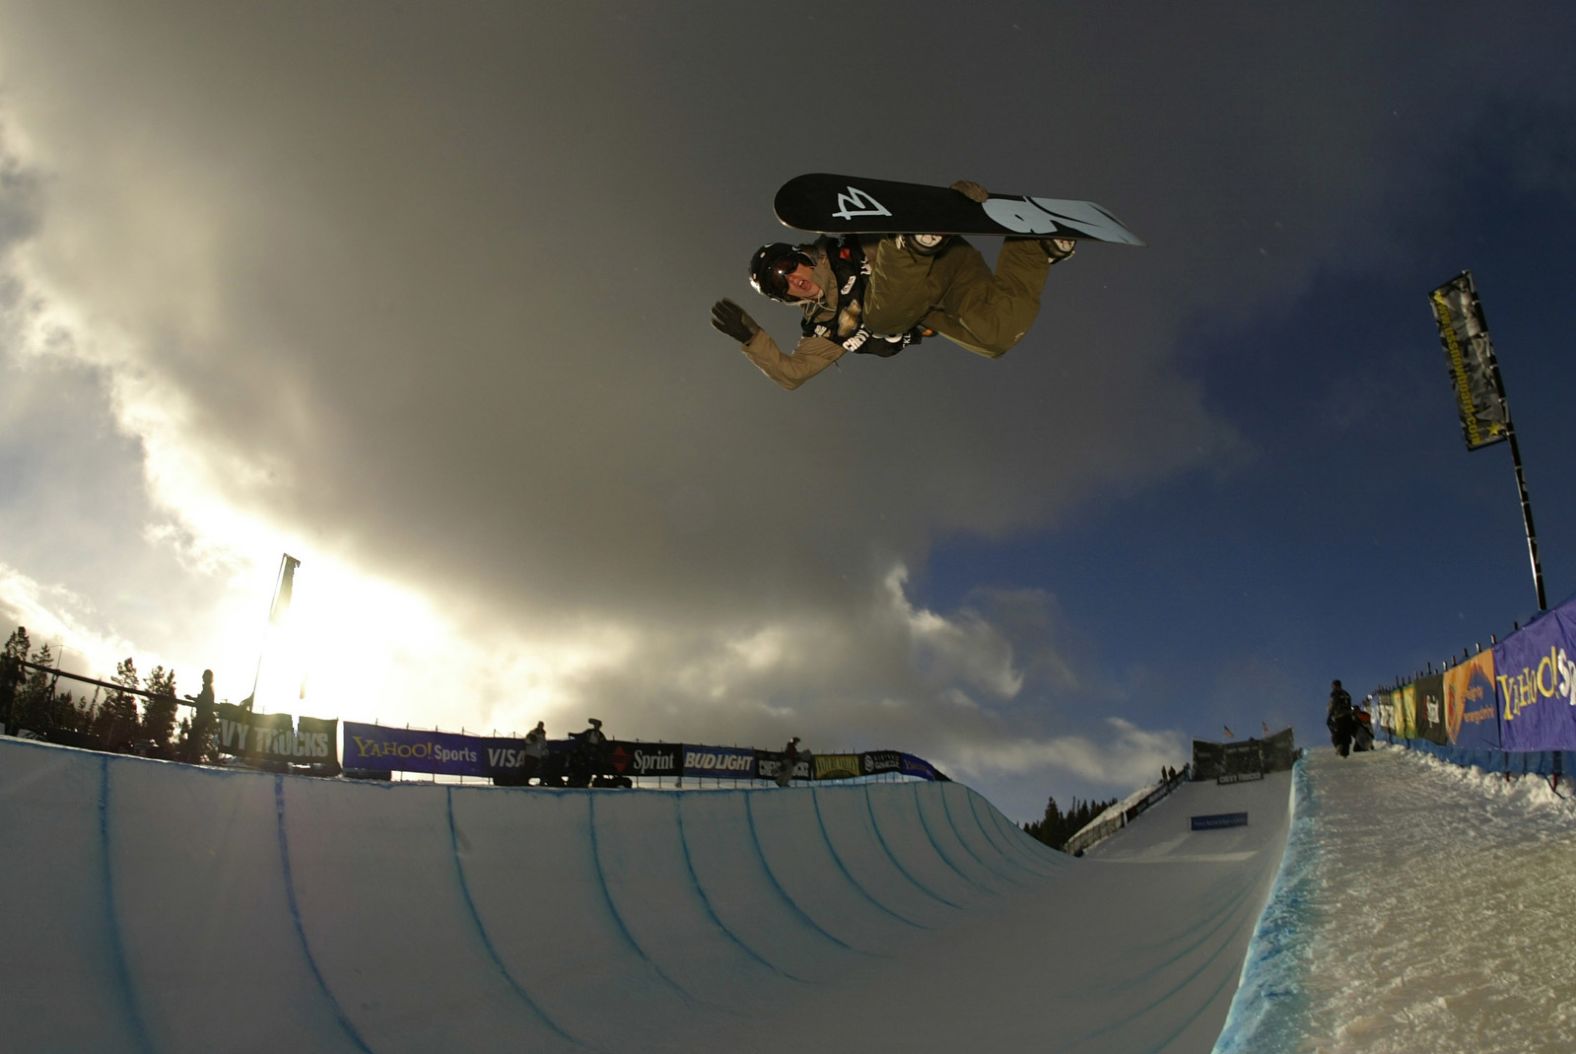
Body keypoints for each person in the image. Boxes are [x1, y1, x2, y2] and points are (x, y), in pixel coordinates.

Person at [711, 180, 1077, 390]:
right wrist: (752, 338)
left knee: (882, 320)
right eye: (782, 286)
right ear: (785, 299)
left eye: (789, 266)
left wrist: (952, 201)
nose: (794, 280)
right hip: (940, 300)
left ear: (801, 256)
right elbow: (793, 375)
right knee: (995, 338)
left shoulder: (841, 245)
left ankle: (912, 242)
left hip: (939, 256)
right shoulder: (825, 328)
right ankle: (1033, 248)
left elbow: (882, 209)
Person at [1326, 679, 1356, 757]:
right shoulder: (1346, 694)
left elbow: (1333, 705)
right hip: (1348, 717)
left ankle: (1338, 745)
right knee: (1346, 734)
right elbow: (1349, 704)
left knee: (1337, 732)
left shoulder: (1335, 694)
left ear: (1334, 686)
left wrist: (1330, 715)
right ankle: (1345, 752)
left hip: (1339, 717)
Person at [521, 720, 547, 786]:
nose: (540, 727)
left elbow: (544, 745)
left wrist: (543, 752)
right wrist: (531, 739)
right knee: (527, 769)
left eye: (542, 725)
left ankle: (526, 781)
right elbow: (526, 741)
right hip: (530, 754)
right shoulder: (533, 733)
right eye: (539, 725)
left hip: (537, 756)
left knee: (532, 770)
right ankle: (524, 781)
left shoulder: (543, 735)